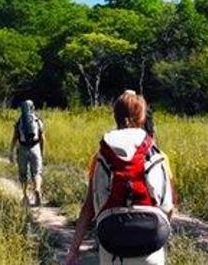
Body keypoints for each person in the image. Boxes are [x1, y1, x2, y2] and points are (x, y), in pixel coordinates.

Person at [66, 90, 175, 265]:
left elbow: (88, 208)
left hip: (113, 243)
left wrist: (74, 250)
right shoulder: (157, 154)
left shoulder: (101, 157)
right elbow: (169, 206)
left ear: (115, 117)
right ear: (142, 118)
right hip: (151, 244)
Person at [9, 100, 45, 207]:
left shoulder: (19, 122)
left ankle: (25, 197)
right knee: (37, 173)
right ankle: (37, 189)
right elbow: (42, 138)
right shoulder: (38, 121)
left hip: (23, 149)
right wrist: (41, 152)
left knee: (23, 175)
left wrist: (11, 152)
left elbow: (15, 138)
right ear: (33, 108)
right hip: (35, 148)